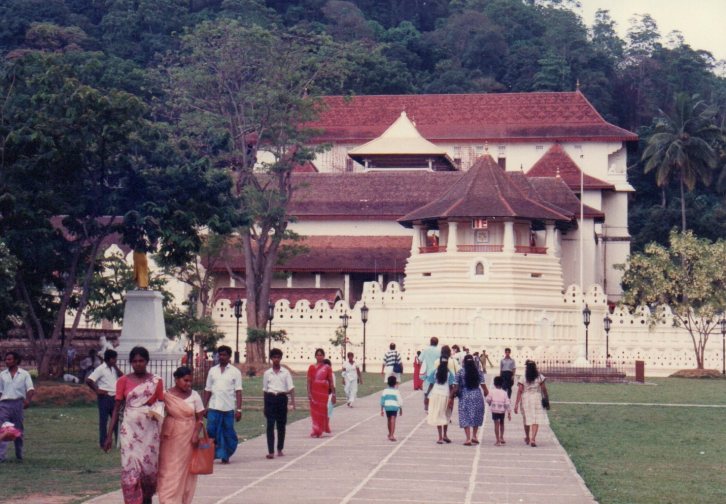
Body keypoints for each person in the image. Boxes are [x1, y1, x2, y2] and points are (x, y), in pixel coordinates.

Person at [103, 346, 164, 504]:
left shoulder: (156, 381)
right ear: (131, 362)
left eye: (141, 361)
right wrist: (109, 436)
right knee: (131, 469)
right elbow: (116, 408)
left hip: (150, 432)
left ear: (147, 361)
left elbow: (161, 404)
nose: (138, 364)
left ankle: (147, 499)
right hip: (129, 432)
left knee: (148, 471)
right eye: (135, 361)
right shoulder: (122, 381)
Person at [157, 366, 204, 504]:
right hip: (170, 436)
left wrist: (196, 434)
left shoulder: (194, 395)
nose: (188, 384)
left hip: (188, 437)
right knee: (168, 468)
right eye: (185, 380)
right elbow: (157, 412)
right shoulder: (167, 395)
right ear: (176, 379)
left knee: (184, 469)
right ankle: (167, 500)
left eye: (190, 381)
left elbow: (200, 418)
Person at [203, 345, 243, 464]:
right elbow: (208, 389)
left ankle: (226, 455)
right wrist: (204, 407)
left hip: (228, 408)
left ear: (229, 356)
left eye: (224, 355)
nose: (221, 357)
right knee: (211, 431)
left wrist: (239, 410)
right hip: (214, 407)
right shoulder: (212, 371)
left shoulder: (235, 372)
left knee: (228, 433)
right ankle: (211, 454)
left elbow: (238, 391)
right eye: (220, 355)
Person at [0, 351, 35, 462]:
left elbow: (30, 389)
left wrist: (28, 401)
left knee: (18, 430)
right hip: (4, 404)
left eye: (9, 359)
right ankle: (1, 456)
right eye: (6, 359)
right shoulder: (2, 375)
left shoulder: (24, 374)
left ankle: (19, 454)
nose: (7, 361)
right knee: (4, 429)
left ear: (16, 361)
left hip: (18, 404)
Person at [86, 349, 123, 448]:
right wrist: (97, 390)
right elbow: (89, 380)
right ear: (110, 359)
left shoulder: (113, 368)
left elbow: (122, 376)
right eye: (114, 359)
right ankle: (103, 443)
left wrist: (115, 366)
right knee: (103, 421)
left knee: (115, 421)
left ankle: (118, 442)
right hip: (105, 397)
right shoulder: (101, 369)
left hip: (114, 397)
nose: (116, 361)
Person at [263, 348, 296, 459]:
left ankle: (280, 449)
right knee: (270, 425)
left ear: (281, 358)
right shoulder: (267, 373)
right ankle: (271, 451)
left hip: (281, 399)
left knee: (281, 425)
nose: (276, 359)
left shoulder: (285, 372)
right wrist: (265, 406)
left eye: (278, 357)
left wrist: (292, 402)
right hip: (270, 399)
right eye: (274, 357)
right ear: (271, 359)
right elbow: (265, 390)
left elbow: (291, 388)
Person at [453, 354, 489, 446]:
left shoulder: (460, 372)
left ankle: (468, 438)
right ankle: (474, 436)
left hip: (464, 395)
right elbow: (483, 385)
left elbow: (456, 387)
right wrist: (487, 393)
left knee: (465, 416)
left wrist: (451, 396)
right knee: (476, 415)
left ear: (464, 362)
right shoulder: (478, 372)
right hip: (476, 395)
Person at [514, 360, 549, 447]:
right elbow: (544, 389)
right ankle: (533, 439)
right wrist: (547, 399)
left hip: (526, 398)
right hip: (537, 398)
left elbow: (520, 390)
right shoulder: (539, 377)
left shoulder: (523, 377)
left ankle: (527, 437)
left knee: (527, 418)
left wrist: (516, 404)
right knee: (535, 419)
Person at [424, 358, 455, 444]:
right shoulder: (449, 373)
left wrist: (426, 395)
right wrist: (451, 399)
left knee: (438, 415)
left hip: (435, 395)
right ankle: (445, 435)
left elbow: (431, 384)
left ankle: (440, 437)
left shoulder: (435, 371)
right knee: (446, 414)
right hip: (445, 395)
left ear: (440, 362)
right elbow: (451, 387)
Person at [307, 349, 335, 438]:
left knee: (322, 411)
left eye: (321, 355)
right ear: (315, 356)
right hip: (314, 392)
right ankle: (315, 429)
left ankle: (319, 430)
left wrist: (333, 394)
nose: (319, 357)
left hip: (323, 393)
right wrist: (309, 393)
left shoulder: (327, 368)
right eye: (318, 355)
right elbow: (309, 381)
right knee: (314, 412)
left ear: (324, 356)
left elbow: (331, 382)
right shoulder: (311, 367)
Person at [486, 376, 512, 446]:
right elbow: (507, 403)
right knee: (502, 423)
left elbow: (488, 399)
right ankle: (502, 437)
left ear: (494, 384)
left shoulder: (491, 391)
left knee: (496, 424)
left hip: (494, 410)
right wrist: (509, 413)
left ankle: (497, 440)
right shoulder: (504, 392)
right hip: (502, 411)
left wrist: (490, 403)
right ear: (502, 384)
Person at [419, 337, 441, 410]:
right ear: (437, 343)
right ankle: (434, 406)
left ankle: (426, 405)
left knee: (426, 390)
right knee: (435, 390)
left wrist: (424, 366)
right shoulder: (439, 350)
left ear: (430, 342)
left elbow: (420, 360)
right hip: (437, 373)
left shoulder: (426, 350)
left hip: (428, 374)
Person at [380, 375, 403, 442]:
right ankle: (392, 435)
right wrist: (401, 409)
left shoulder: (385, 391)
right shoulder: (396, 391)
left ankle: (390, 433)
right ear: (395, 383)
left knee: (389, 419)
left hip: (387, 407)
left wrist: (381, 410)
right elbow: (400, 401)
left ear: (388, 383)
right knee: (393, 419)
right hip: (394, 407)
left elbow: (382, 400)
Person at [323, 358, 335, 433]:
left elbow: (333, 386)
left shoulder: (332, 375)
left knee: (329, 410)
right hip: (321, 395)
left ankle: (326, 425)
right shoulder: (320, 374)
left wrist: (334, 396)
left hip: (329, 394)